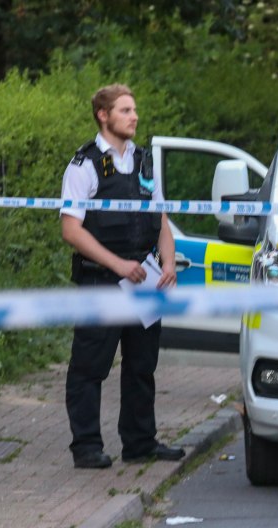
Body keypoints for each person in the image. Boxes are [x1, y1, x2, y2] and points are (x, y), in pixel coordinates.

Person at [58, 83, 185, 469]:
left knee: (142, 365)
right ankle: (86, 447)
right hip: (102, 279)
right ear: (104, 115)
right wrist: (117, 266)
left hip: (144, 278)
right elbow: (71, 229)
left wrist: (167, 262)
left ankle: (140, 442)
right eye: (126, 110)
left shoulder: (145, 161)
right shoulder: (84, 165)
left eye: (134, 110)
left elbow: (159, 216)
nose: (134, 116)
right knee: (89, 366)